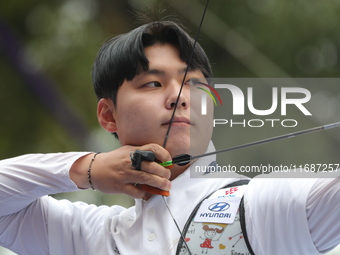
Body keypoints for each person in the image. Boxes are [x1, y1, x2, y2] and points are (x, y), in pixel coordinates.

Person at [0, 20, 339, 255]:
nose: (180, 97)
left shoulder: (258, 206)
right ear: (107, 115)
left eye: (194, 83)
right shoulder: (92, 237)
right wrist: (90, 168)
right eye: (153, 83)